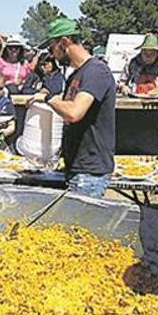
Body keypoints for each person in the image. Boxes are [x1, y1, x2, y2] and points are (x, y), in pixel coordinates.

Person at [30, 17, 116, 197]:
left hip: (90, 171)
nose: (52, 54)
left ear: (64, 42)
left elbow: (74, 113)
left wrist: (48, 98)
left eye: (51, 47)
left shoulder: (96, 71)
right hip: (76, 167)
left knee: (81, 224)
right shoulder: (77, 74)